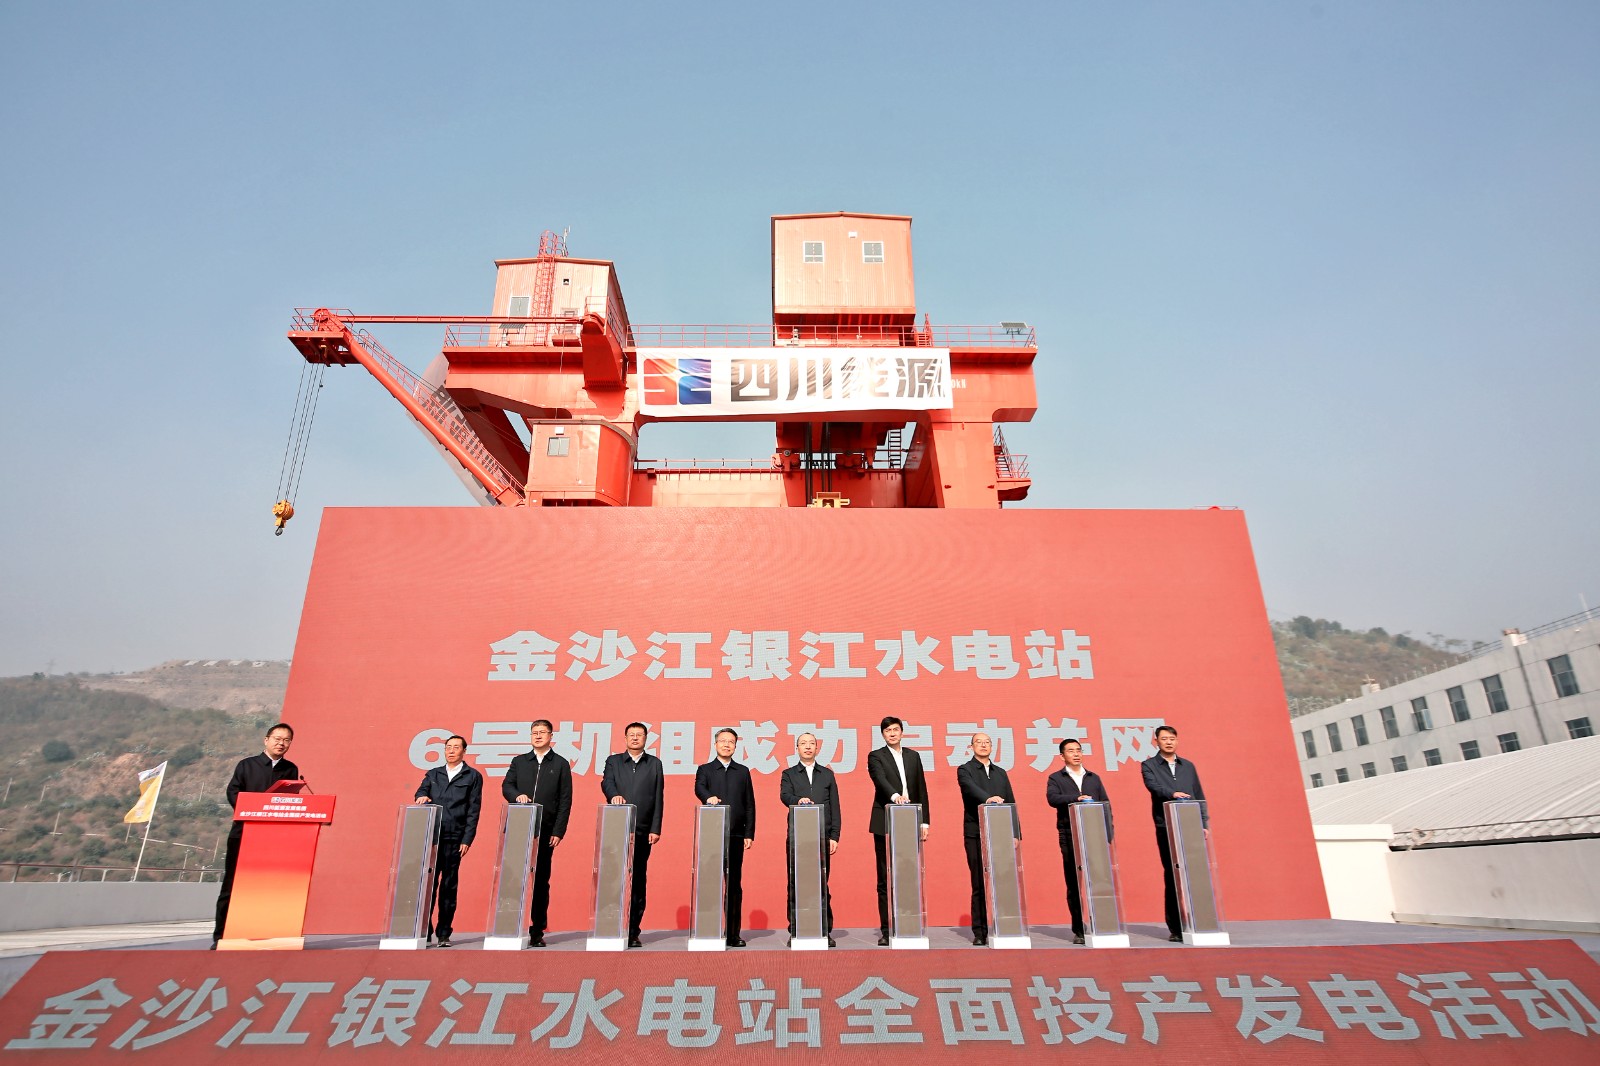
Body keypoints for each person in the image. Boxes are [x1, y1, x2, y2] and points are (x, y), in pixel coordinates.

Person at [212, 722, 300, 947]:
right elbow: (233, 791)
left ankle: (262, 932)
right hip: (243, 833)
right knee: (231, 885)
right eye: (277, 739)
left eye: (286, 740)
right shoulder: (247, 765)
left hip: (273, 837)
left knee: (268, 885)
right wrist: (251, 810)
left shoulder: (291, 769)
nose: (281, 743)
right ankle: (220, 937)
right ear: (266, 740)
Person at [502, 719, 573, 947]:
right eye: (535, 732)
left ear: (551, 736)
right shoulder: (520, 761)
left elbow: (565, 800)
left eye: (543, 732)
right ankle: (509, 926)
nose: (538, 736)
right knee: (514, 879)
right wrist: (517, 796)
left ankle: (537, 931)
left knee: (541, 881)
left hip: (545, 830)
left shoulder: (560, 764)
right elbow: (507, 786)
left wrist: (558, 830)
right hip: (519, 827)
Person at [413, 733, 483, 948]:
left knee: (448, 886)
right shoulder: (434, 774)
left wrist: (467, 839)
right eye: (448, 747)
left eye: (456, 747)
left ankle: (444, 933)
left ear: (464, 751)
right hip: (432, 836)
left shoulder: (472, 776)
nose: (451, 750)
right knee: (428, 885)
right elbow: (421, 790)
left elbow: (474, 810)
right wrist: (421, 796)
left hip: (454, 837)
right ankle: (424, 931)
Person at [1140, 724, 1208, 942]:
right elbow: (1153, 787)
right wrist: (1173, 794)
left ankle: (1201, 921)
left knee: (1195, 874)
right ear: (1156, 741)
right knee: (1172, 874)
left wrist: (1203, 822)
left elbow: (1198, 794)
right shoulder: (1149, 765)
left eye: (1172, 738)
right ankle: (1176, 927)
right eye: (1164, 738)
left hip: (1190, 825)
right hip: (1166, 826)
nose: (1169, 742)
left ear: (1177, 741)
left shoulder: (1188, 766)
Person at [600, 722, 665, 948]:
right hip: (617, 827)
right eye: (631, 735)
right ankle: (611, 926)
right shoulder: (614, 761)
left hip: (643, 829)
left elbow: (658, 796)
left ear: (646, 738)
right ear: (625, 738)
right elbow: (607, 782)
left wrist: (655, 828)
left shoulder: (654, 763)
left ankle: (633, 931)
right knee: (613, 878)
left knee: (637, 879)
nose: (635, 738)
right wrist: (613, 795)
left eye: (639, 735)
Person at [867, 716, 929, 946]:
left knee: (908, 875)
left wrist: (924, 822)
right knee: (886, 877)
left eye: (895, 729)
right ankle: (887, 929)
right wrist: (895, 797)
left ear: (902, 732)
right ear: (883, 735)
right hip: (885, 819)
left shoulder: (913, 756)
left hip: (910, 820)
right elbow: (879, 779)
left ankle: (909, 925)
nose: (892, 733)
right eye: (887, 731)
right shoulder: (876, 756)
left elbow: (921, 788)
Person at [694, 726, 756, 947]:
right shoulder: (705, 769)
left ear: (735, 746)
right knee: (711, 883)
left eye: (731, 741)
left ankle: (732, 934)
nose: (726, 744)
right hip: (713, 833)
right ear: (715, 744)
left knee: (734, 884)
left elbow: (749, 803)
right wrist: (708, 797)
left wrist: (749, 833)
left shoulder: (743, 771)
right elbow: (699, 788)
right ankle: (709, 930)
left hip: (736, 833)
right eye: (722, 741)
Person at [1045, 737, 1110, 945]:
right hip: (1069, 834)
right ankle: (1079, 929)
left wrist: (1108, 834)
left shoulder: (1093, 778)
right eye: (1071, 751)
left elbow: (1105, 804)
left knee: (1098, 880)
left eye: (1079, 750)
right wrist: (1076, 798)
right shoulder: (1056, 778)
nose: (1076, 754)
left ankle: (1101, 923)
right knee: (1074, 883)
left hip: (1093, 835)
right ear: (1062, 756)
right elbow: (1052, 799)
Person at [778, 732, 840, 947]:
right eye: (803, 743)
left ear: (817, 748)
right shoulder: (788, 774)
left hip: (822, 837)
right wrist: (798, 800)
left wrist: (834, 835)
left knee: (822, 884)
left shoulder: (827, 774)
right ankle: (796, 930)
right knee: (795, 884)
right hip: (798, 838)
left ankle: (824, 931)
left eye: (811, 743)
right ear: (797, 748)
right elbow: (784, 796)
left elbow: (835, 806)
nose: (807, 746)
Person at [955, 731, 1016, 945]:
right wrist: (988, 799)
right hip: (975, 832)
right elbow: (969, 789)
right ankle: (980, 932)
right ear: (971, 747)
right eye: (978, 742)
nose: (983, 745)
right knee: (979, 882)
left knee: (1003, 882)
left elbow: (1011, 801)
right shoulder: (965, 770)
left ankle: (1005, 926)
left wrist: (1015, 832)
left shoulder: (1001, 772)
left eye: (987, 742)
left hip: (1000, 833)